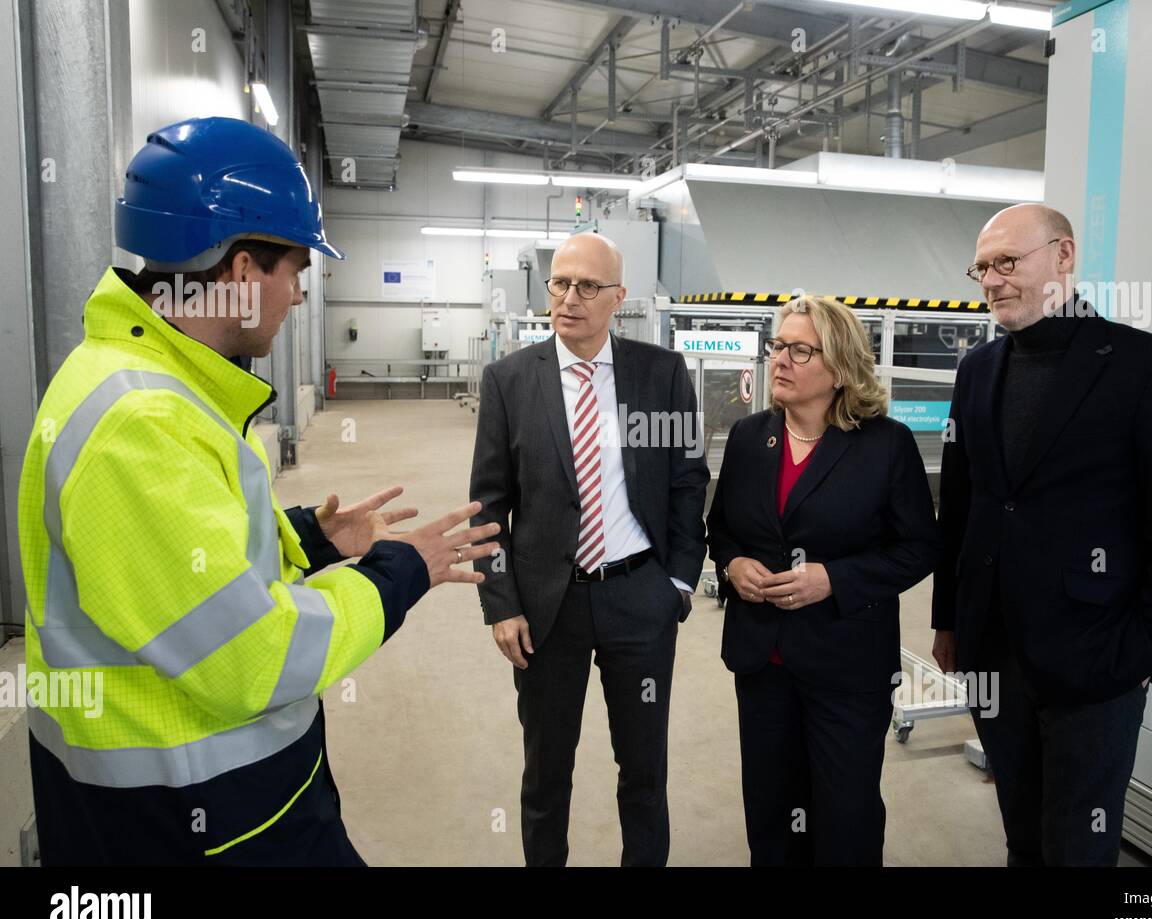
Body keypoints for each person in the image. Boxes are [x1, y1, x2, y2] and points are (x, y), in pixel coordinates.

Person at [18, 116, 500, 865]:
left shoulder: (153, 383)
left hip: (206, 803)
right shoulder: (139, 420)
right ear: (244, 274)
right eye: (296, 273)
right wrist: (401, 570)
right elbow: (252, 655)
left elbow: (185, 566)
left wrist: (307, 538)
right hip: (196, 819)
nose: (299, 298)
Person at [931, 203, 1152, 866]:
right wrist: (950, 620)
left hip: (1096, 658)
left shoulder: (1147, 368)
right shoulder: (978, 369)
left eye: (1009, 262)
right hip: (991, 652)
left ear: (1063, 257)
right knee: (1023, 837)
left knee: (1080, 847)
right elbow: (965, 507)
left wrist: (1148, 647)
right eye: (982, 268)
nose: (993, 279)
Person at [469, 232, 709, 866]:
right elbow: (488, 506)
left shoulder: (660, 375)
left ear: (619, 299)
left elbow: (689, 481)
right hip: (548, 610)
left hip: (640, 597)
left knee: (644, 772)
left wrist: (679, 585)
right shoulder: (510, 381)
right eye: (559, 284)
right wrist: (500, 604)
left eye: (587, 287)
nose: (569, 298)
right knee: (546, 775)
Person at [706, 296, 937, 866]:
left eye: (799, 350)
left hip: (847, 667)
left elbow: (919, 549)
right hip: (763, 662)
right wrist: (732, 566)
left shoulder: (886, 445)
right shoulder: (748, 438)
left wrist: (835, 579)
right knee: (770, 811)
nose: (780, 360)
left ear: (839, 368)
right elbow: (722, 530)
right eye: (778, 346)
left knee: (845, 815)